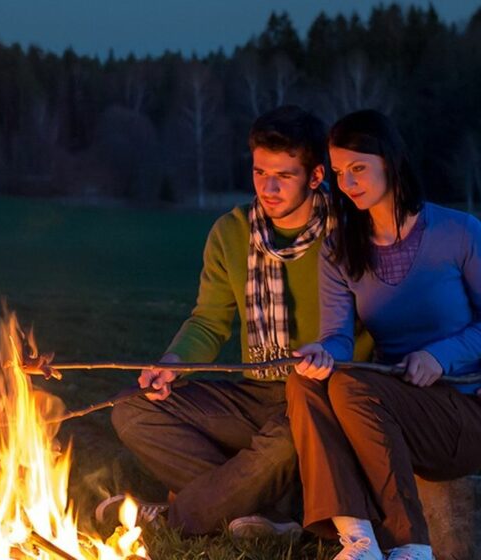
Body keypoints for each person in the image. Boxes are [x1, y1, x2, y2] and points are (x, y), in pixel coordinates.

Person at [111, 105, 372, 538]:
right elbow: (209, 323)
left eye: (284, 176)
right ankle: (276, 512)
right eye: (258, 172)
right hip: (257, 390)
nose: (267, 188)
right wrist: (173, 361)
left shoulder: (350, 233)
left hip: (322, 397)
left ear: (316, 175)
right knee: (131, 410)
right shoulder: (231, 233)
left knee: (286, 441)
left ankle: (177, 517)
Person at [288, 109, 481, 560]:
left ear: (390, 162)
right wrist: (321, 351)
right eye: (339, 172)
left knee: (354, 389)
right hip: (394, 406)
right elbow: (337, 336)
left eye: (358, 168)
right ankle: (360, 541)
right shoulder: (339, 249)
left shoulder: (459, 233)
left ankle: (412, 546)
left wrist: (442, 356)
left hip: (464, 407)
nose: (348, 182)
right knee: (304, 380)